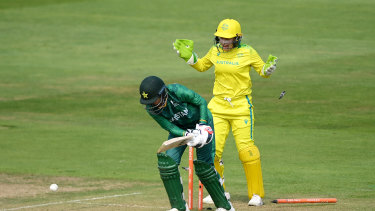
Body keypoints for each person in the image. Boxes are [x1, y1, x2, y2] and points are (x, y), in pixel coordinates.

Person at [173, 18, 278, 206]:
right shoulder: (215, 51)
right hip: (218, 108)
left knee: (247, 151)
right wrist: (189, 57)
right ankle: (218, 191)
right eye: (221, 38)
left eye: (228, 38)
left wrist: (268, 69)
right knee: (211, 151)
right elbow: (203, 65)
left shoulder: (248, 51)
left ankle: (256, 194)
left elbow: (262, 70)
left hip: (241, 108)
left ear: (238, 38)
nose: (224, 42)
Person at [139, 76, 235, 211]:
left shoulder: (177, 91)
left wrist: (202, 126)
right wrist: (186, 135)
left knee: (204, 166)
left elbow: (201, 102)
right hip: (180, 129)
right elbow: (169, 127)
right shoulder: (151, 109)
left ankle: (225, 206)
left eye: (154, 100)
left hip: (201, 123)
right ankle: (179, 207)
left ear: (163, 93)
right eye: (149, 101)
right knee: (167, 164)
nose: (153, 104)